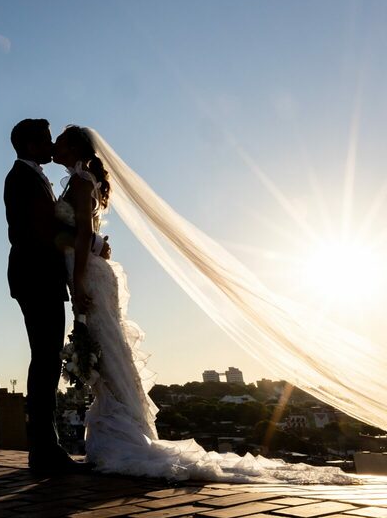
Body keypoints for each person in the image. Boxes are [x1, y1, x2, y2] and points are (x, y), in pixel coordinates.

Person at [51, 125, 358, 484]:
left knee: (108, 355)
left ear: (74, 147)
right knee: (109, 355)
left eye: (60, 141)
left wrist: (81, 278)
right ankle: (122, 435)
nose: (55, 145)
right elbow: (88, 233)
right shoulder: (82, 180)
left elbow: (84, 233)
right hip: (91, 271)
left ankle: (124, 440)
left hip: (89, 276)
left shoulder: (80, 182)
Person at [4, 119, 100, 474]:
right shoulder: (20, 178)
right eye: (45, 140)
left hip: (42, 278)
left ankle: (45, 449)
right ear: (30, 146)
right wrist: (93, 241)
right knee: (45, 360)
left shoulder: (33, 176)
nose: (50, 145)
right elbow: (42, 231)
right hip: (35, 278)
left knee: (46, 360)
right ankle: (44, 452)